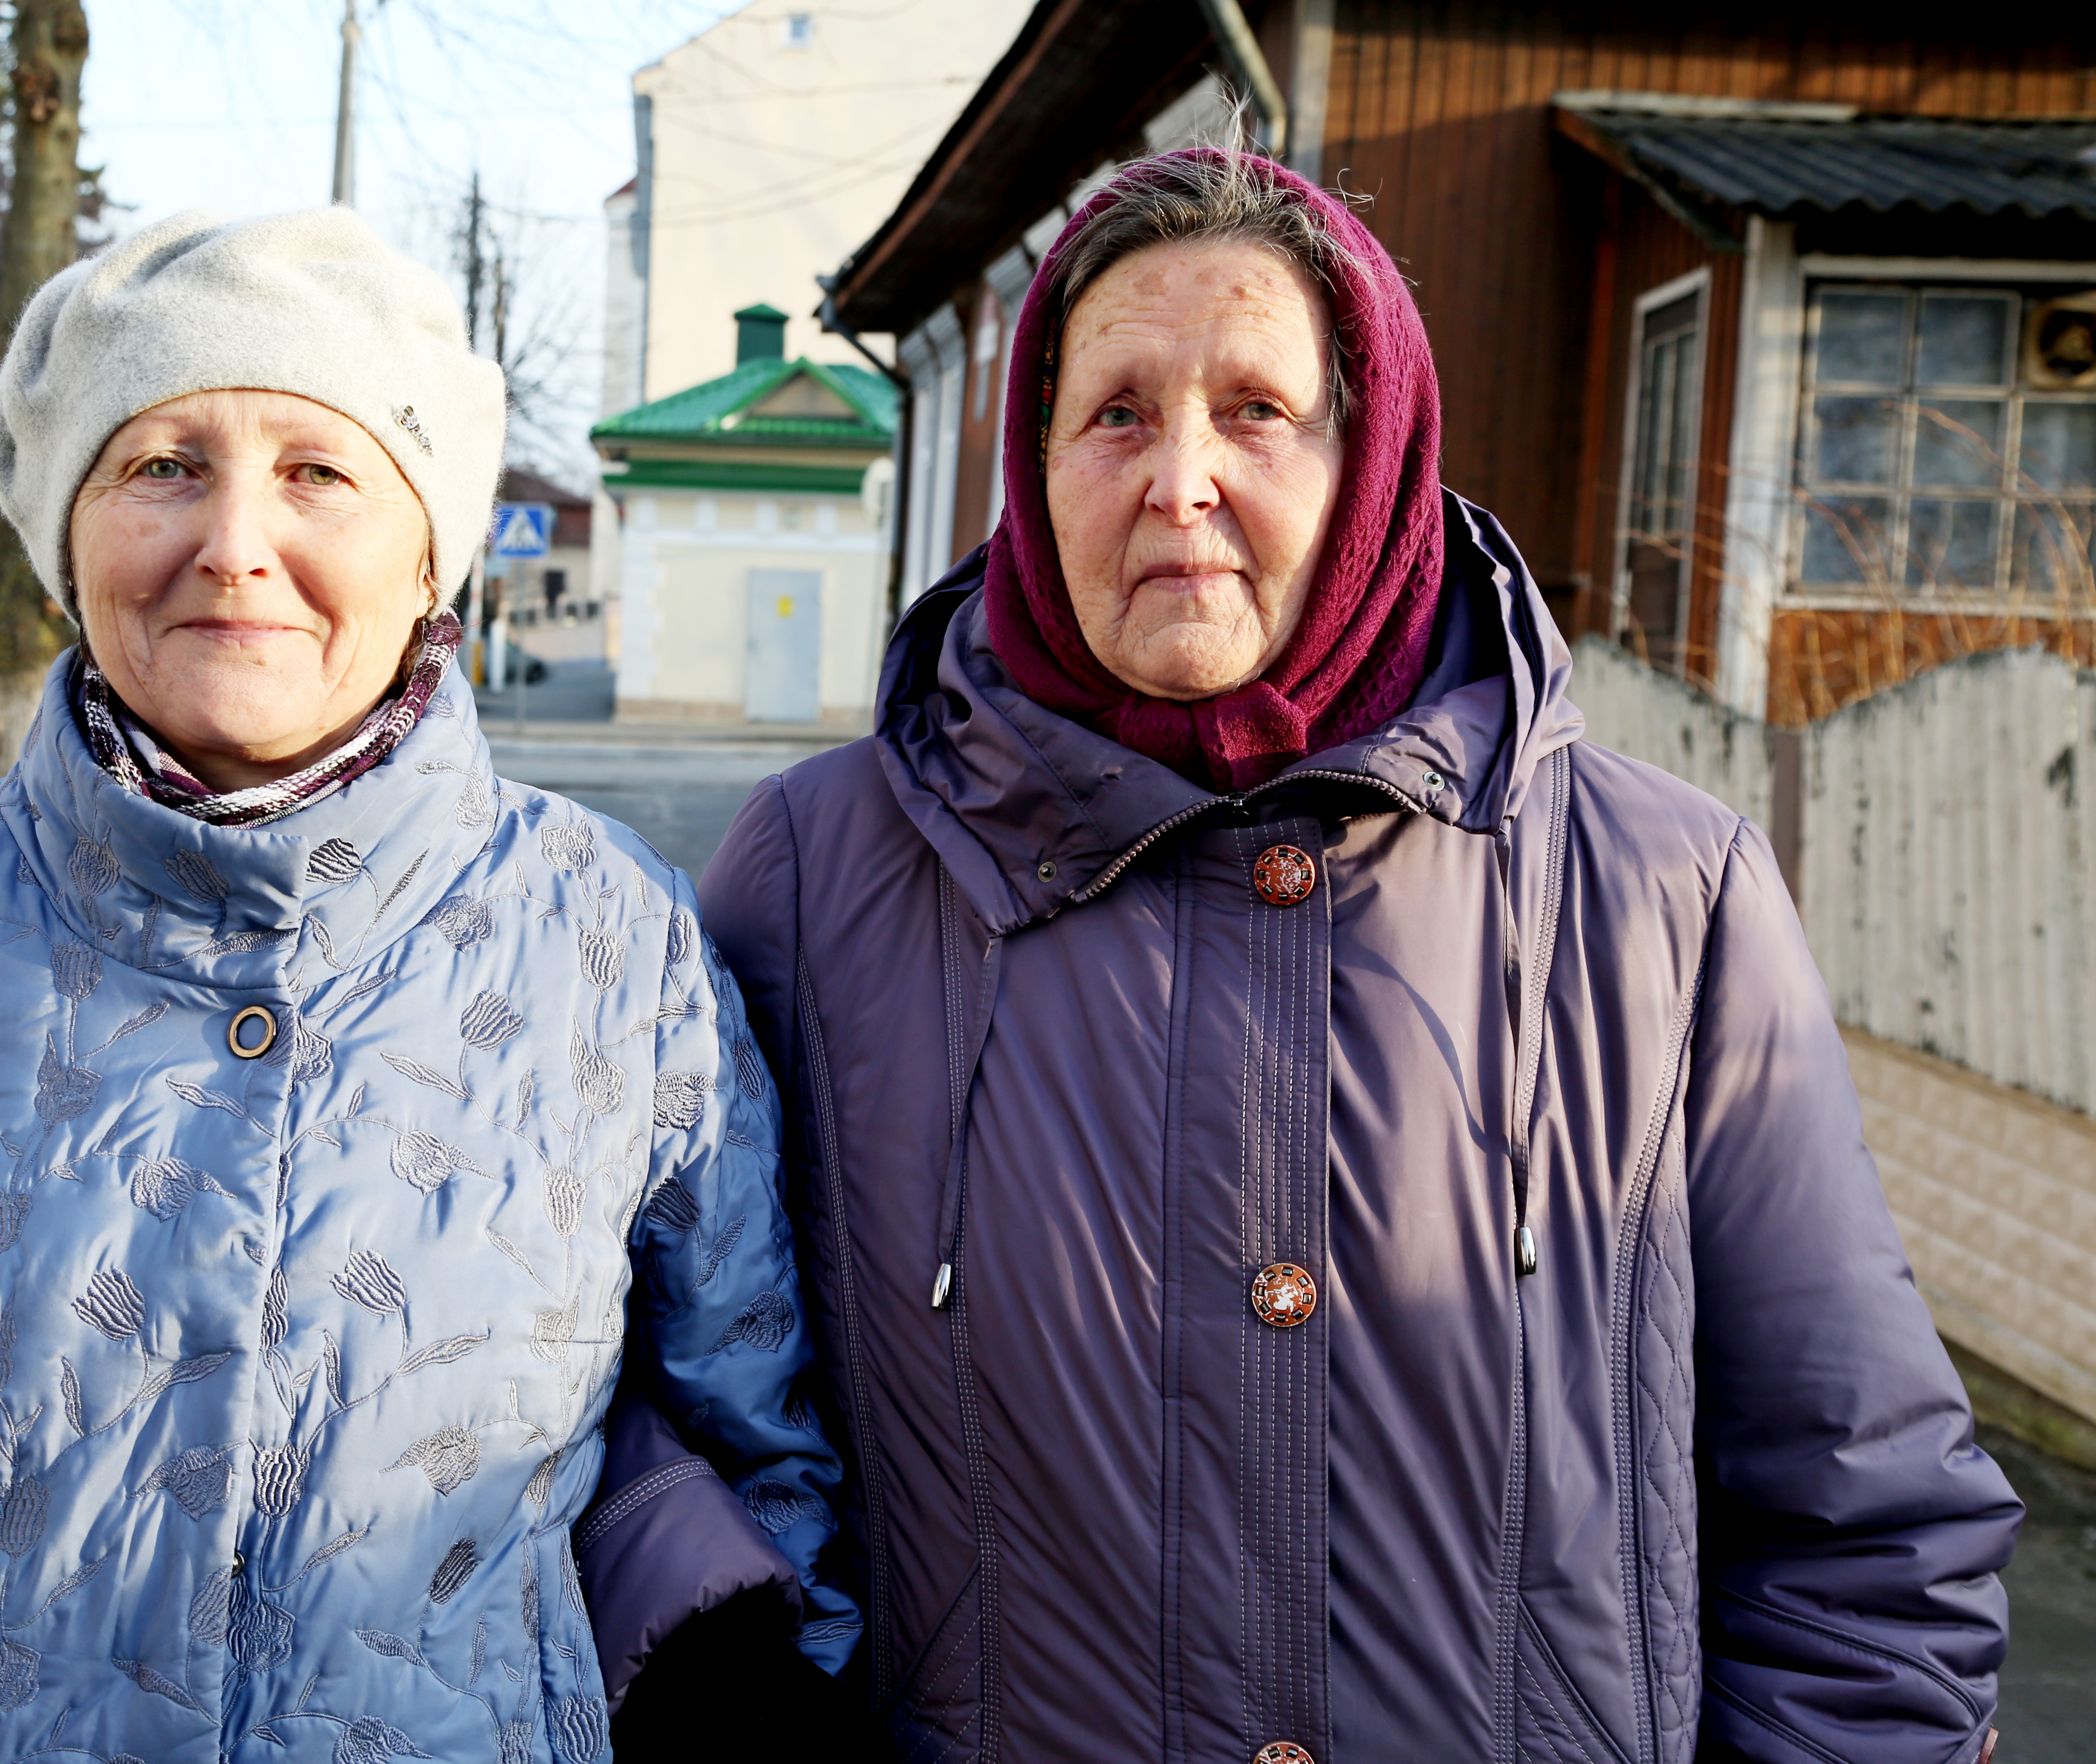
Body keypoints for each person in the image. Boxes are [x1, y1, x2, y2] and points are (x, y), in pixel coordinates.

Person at [695, 147, 2021, 1762]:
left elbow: (1866, 1528)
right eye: (1116, 411)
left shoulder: (1667, 892)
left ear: (1373, 452)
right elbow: (709, 1464)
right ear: (1034, 474)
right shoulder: (822, 877)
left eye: (1257, 408)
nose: (1180, 476)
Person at [0, 209, 855, 1763]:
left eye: (319, 471)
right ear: (68, 539)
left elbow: (764, 1460)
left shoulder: (614, 942)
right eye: (161, 465)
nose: (234, 543)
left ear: (431, 552)